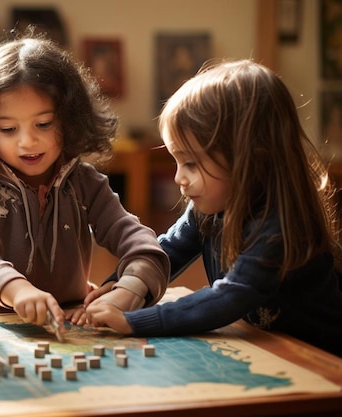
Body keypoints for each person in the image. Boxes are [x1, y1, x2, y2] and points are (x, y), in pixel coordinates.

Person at [85, 59, 342, 357]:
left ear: (252, 162)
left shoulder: (281, 227)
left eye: (191, 163)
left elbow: (231, 295)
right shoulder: (209, 208)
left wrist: (134, 322)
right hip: (273, 348)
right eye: (176, 161)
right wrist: (122, 285)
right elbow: (165, 252)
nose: (179, 178)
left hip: (324, 359)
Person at [0, 33, 170, 331]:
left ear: (69, 119)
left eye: (43, 124)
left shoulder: (86, 182)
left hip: (70, 319)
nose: (27, 141)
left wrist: (128, 291)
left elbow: (143, 246)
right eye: (8, 129)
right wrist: (17, 290)